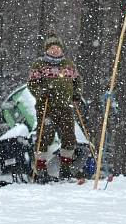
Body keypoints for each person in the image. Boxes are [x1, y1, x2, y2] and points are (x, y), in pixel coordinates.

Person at [28, 33, 84, 183]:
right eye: (52, 48)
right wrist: (41, 92)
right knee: (44, 137)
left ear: (61, 49)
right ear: (47, 50)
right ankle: (40, 170)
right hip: (47, 107)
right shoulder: (39, 65)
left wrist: (77, 93)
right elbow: (32, 84)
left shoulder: (68, 64)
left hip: (65, 106)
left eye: (57, 48)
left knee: (69, 137)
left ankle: (65, 170)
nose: (55, 50)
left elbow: (77, 81)